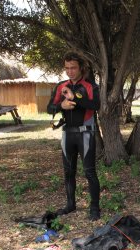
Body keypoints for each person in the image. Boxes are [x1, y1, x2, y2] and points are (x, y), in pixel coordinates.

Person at [47, 52, 101, 220]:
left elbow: (95, 105)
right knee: (68, 172)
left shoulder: (91, 86)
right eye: (67, 68)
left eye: (73, 68)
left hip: (86, 132)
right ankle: (70, 204)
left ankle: (94, 207)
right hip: (67, 134)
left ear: (81, 68)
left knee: (89, 172)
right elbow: (49, 108)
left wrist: (75, 98)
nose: (70, 71)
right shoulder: (60, 86)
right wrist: (61, 105)